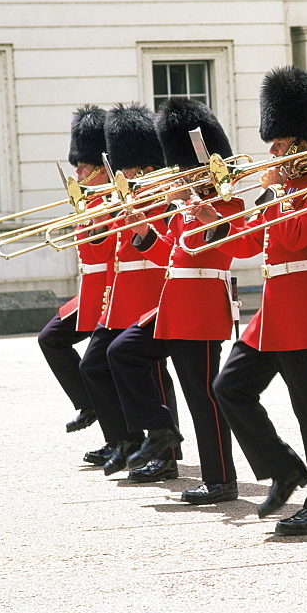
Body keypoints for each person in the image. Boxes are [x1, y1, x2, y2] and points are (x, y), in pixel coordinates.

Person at [206, 66, 307, 534]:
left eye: (280, 143)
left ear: (302, 145)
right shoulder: (285, 190)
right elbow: (248, 244)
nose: (272, 150)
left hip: (303, 303)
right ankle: (285, 468)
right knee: (230, 388)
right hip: (274, 307)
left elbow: (296, 232)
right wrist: (216, 221)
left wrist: (273, 194)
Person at [106, 98, 240, 504]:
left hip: (199, 309)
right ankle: (160, 427)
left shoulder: (225, 204)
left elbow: (232, 245)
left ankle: (221, 480)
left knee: (203, 397)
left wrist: (206, 214)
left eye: (183, 166)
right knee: (121, 352)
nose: (177, 173)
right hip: (173, 306)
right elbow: (172, 255)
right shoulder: (184, 208)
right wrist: (142, 228)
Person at [79, 103, 181, 482]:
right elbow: (104, 253)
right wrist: (94, 219)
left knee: (154, 375)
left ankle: (166, 455)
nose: (120, 174)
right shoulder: (125, 198)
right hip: (122, 299)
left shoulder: (164, 201)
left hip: (151, 296)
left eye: (127, 166)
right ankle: (126, 439)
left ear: (147, 168)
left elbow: (167, 251)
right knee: (94, 365)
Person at [37, 106, 110, 442]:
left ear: (102, 167)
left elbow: (105, 252)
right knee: (51, 339)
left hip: (109, 290)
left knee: (103, 364)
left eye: (83, 166)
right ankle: (89, 404)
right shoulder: (91, 201)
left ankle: (122, 438)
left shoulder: (110, 201)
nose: (78, 173)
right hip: (90, 289)